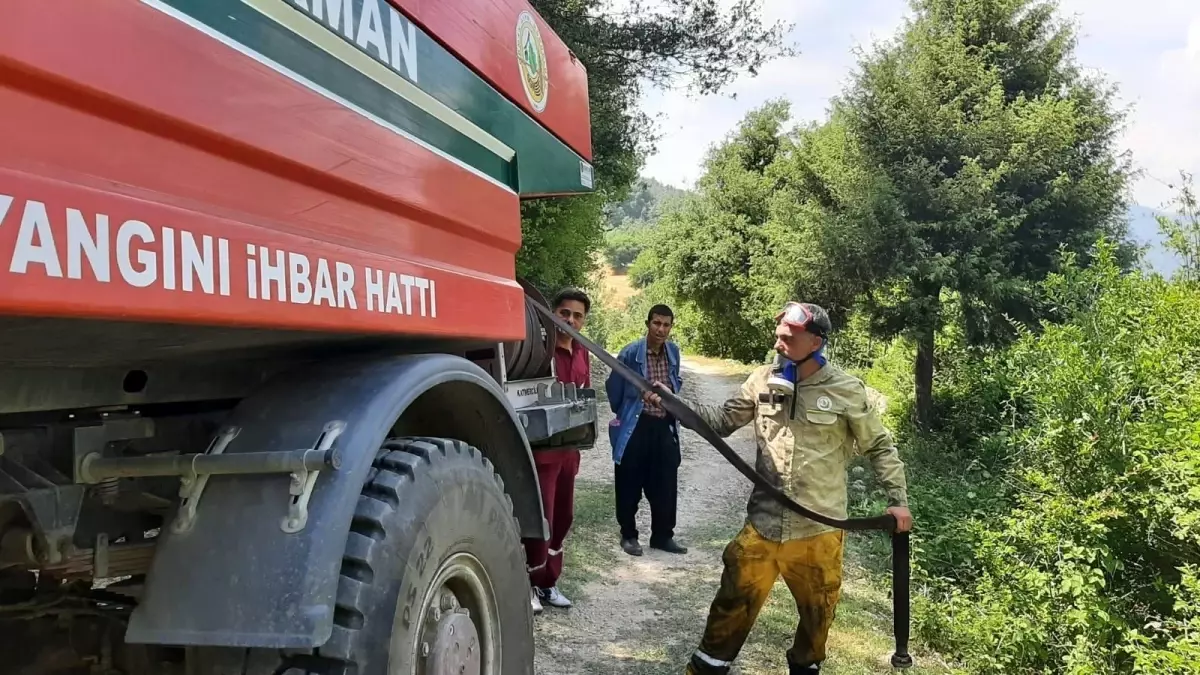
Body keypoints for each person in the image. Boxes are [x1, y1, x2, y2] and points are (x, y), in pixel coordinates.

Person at [644, 301, 913, 675]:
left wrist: (897, 502)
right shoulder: (762, 379)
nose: (778, 341)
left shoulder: (847, 390)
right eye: (778, 334)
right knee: (728, 611)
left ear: (816, 341)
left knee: (817, 623)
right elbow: (722, 421)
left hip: (819, 533)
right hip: (763, 526)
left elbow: (879, 447)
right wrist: (674, 404)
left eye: (788, 336)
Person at [524, 288, 592, 615]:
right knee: (543, 518)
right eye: (564, 313)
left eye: (577, 315)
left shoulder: (583, 353)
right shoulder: (539, 351)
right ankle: (529, 584)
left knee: (563, 518)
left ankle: (550, 582)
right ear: (552, 313)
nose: (570, 320)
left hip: (570, 452)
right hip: (543, 454)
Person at [605, 304, 687, 557]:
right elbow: (614, 389)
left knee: (665, 482)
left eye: (666, 324)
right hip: (636, 426)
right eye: (656, 323)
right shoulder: (630, 353)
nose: (661, 329)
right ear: (647, 323)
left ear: (671, 327)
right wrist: (627, 411)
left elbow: (676, 384)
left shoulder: (673, 352)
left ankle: (663, 536)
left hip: (663, 425)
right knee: (629, 480)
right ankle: (628, 535)